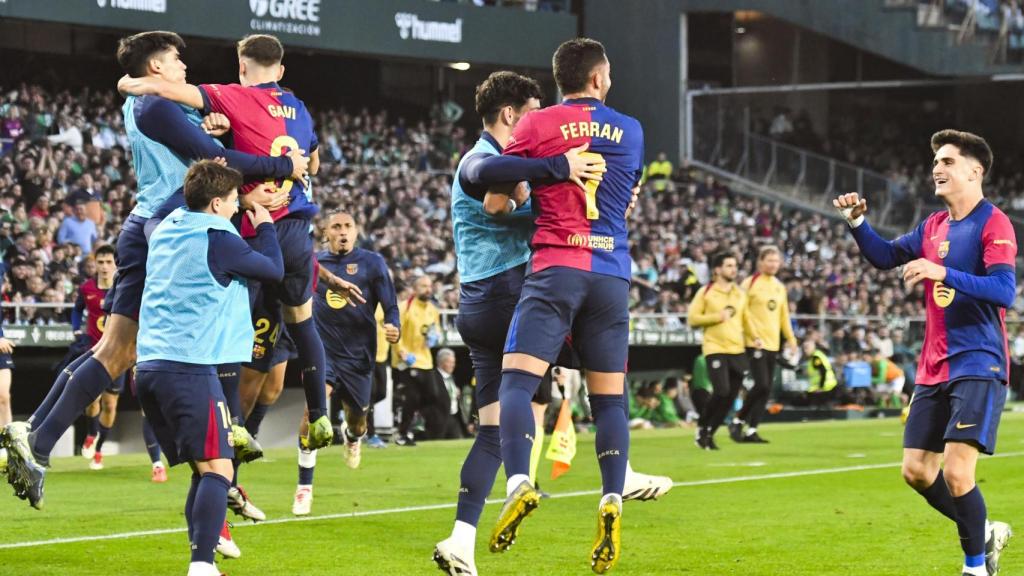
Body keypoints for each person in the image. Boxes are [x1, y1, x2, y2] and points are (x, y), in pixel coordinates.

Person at [0, 30, 305, 510]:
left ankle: (34, 434)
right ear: (157, 66)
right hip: (166, 229)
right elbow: (218, 161)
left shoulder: (151, 102)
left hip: (149, 223)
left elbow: (200, 141)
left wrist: (214, 126)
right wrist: (283, 166)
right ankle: (42, 442)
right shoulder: (155, 105)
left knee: (112, 348)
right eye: (176, 59)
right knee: (123, 352)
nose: (184, 66)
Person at [433, 69, 612, 576]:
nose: (542, 121)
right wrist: (562, 169)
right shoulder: (482, 159)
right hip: (508, 292)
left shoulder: (506, 164)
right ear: (511, 114)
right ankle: (617, 471)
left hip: (476, 303)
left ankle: (460, 541)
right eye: (534, 112)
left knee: (492, 431)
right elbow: (490, 182)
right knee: (598, 349)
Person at [118, 33, 335, 450]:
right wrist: (291, 165)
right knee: (303, 323)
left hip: (254, 224)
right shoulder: (300, 107)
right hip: (297, 228)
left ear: (241, 67)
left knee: (233, 327)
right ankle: (321, 416)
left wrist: (129, 82)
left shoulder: (234, 96)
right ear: (281, 70)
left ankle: (233, 423)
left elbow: (167, 91)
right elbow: (314, 162)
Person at [488, 38, 644, 575]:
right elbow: (628, 198)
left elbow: (495, 195)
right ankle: (611, 496)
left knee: (516, 383)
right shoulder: (632, 130)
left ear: (561, 79)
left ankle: (519, 482)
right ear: (598, 78)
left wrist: (530, 183)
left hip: (557, 267)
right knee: (610, 401)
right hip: (611, 274)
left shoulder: (536, 124)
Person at [834, 129, 1014, 576]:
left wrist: (942, 272)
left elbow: (1003, 291)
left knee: (957, 472)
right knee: (915, 470)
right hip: (933, 367)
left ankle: (976, 568)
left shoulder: (994, 223)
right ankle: (985, 530)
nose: (937, 168)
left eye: (948, 161)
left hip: (978, 361)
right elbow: (884, 256)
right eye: (935, 161)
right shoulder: (933, 226)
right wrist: (857, 223)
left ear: (975, 171)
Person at [134, 160, 283, 576]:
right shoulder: (218, 238)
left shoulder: (165, 227)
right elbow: (273, 269)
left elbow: (163, 208)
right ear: (216, 203)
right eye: (233, 200)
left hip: (149, 367)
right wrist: (266, 225)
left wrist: (200, 176)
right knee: (221, 467)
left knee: (204, 469)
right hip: (189, 367)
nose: (237, 208)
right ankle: (201, 564)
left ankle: (204, 554)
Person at [291, 210, 400, 516]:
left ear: (356, 231)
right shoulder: (315, 264)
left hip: (358, 355)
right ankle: (304, 487)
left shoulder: (372, 263)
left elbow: (390, 305)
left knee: (358, 420)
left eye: (348, 226)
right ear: (325, 233)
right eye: (336, 227)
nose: (342, 232)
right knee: (312, 411)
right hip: (322, 351)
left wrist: (393, 325)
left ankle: (352, 437)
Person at [729, 245, 797, 444]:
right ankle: (738, 420)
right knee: (762, 384)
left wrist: (791, 339)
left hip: (773, 343)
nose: (773, 264)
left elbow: (784, 315)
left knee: (766, 389)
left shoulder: (779, 286)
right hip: (754, 342)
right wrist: (747, 334)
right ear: (760, 262)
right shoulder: (750, 283)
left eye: (776, 261)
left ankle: (752, 429)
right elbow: (741, 311)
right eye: (770, 260)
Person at [687, 251, 747, 451]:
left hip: (737, 348)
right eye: (729, 265)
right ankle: (702, 426)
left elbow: (746, 320)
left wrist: (755, 337)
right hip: (715, 347)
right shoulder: (705, 292)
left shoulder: (740, 293)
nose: (734, 269)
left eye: (735, 266)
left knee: (730, 397)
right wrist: (716, 317)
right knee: (721, 390)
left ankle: (710, 433)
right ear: (717, 270)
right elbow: (692, 319)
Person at [392, 275, 440, 446]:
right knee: (411, 398)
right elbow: (395, 331)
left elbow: (436, 330)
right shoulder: (405, 307)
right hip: (408, 361)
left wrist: (435, 337)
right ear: (414, 289)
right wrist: (402, 353)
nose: (428, 289)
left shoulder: (432, 309)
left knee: (433, 395)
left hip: (426, 360)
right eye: (423, 286)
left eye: (430, 286)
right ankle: (402, 433)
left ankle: (414, 422)